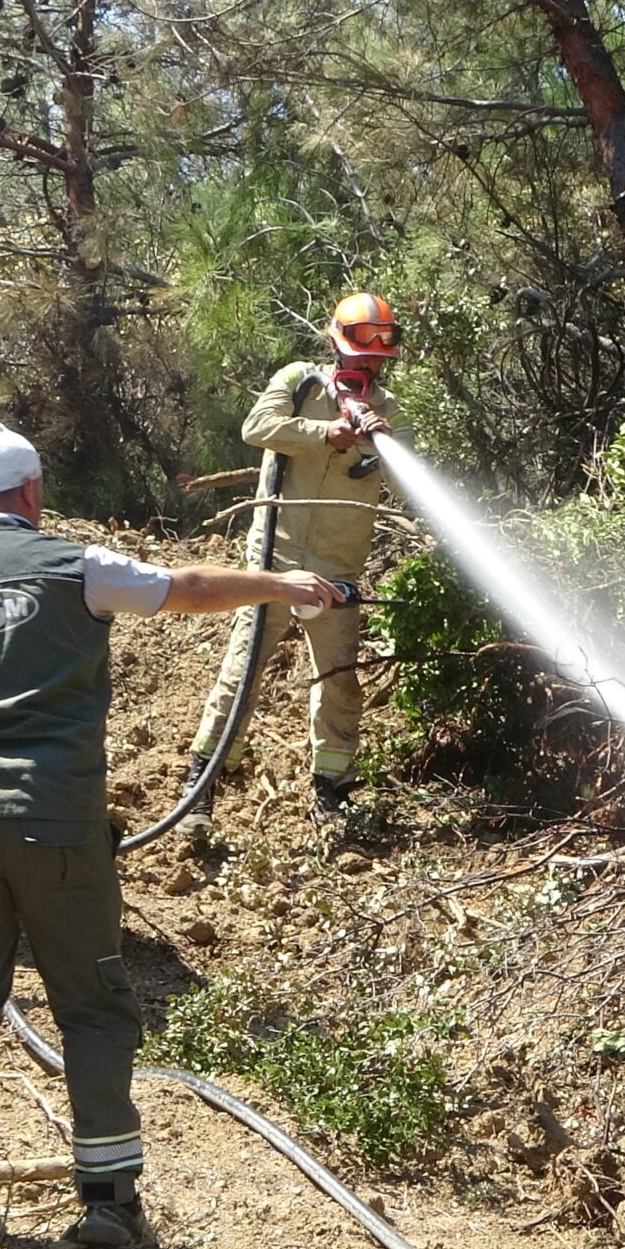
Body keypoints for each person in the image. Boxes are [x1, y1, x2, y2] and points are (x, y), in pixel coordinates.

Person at [0, 422, 342, 1249]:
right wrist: (279, 581)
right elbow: (185, 587)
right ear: (31, 494)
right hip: (57, 825)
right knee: (90, 1007)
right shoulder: (72, 564)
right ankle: (110, 1204)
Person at [175, 292, 400, 841]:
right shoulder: (299, 381)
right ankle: (201, 784)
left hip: (337, 564)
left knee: (339, 678)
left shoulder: (388, 409)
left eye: (376, 359)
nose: (367, 366)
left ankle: (332, 791)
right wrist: (324, 434)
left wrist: (383, 441)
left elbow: (402, 475)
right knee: (242, 670)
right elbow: (258, 426)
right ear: (336, 345)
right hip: (274, 559)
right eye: (359, 354)